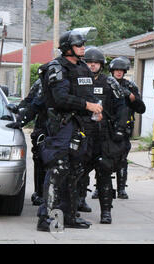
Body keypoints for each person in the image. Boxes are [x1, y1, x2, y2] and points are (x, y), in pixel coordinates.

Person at [36, 27, 103, 232]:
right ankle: (45, 218)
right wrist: (86, 106)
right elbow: (60, 98)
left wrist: (96, 109)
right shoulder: (56, 68)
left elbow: (88, 93)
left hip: (80, 126)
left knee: (75, 171)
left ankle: (70, 215)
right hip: (61, 125)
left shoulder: (82, 68)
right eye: (78, 45)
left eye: (83, 44)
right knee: (58, 168)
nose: (83, 48)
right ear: (67, 48)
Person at [78, 47, 126, 224]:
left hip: (103, 135)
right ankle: (78, 203)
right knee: (79, 171)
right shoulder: (78, 81)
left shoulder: (110, 82)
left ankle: (106, 211)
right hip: (83, 133)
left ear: (101, 65)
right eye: (89, 61)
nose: (92, 64)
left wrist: (120, 129)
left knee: (104, 172)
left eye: (96, 62)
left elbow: (122, 107)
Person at [107, 57, 145, 199]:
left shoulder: (130, 86)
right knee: (103, 158)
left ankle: (121, 189)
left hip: (124, 127)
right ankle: (101, 188)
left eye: (121, 70)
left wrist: (132, 97)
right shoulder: (106, 84)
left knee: (122, 159)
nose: (118, 72)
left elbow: (141, 108)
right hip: (106, 126)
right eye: (116, 70)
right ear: (112, 71)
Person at [6, 79, 47, 206]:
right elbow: (31, 103)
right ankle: (40, 194)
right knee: (40, 160)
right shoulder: (43, 81)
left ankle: (77, 200)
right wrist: (20, 119)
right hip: (44, 127)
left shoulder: (77, 78)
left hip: (68, 128)